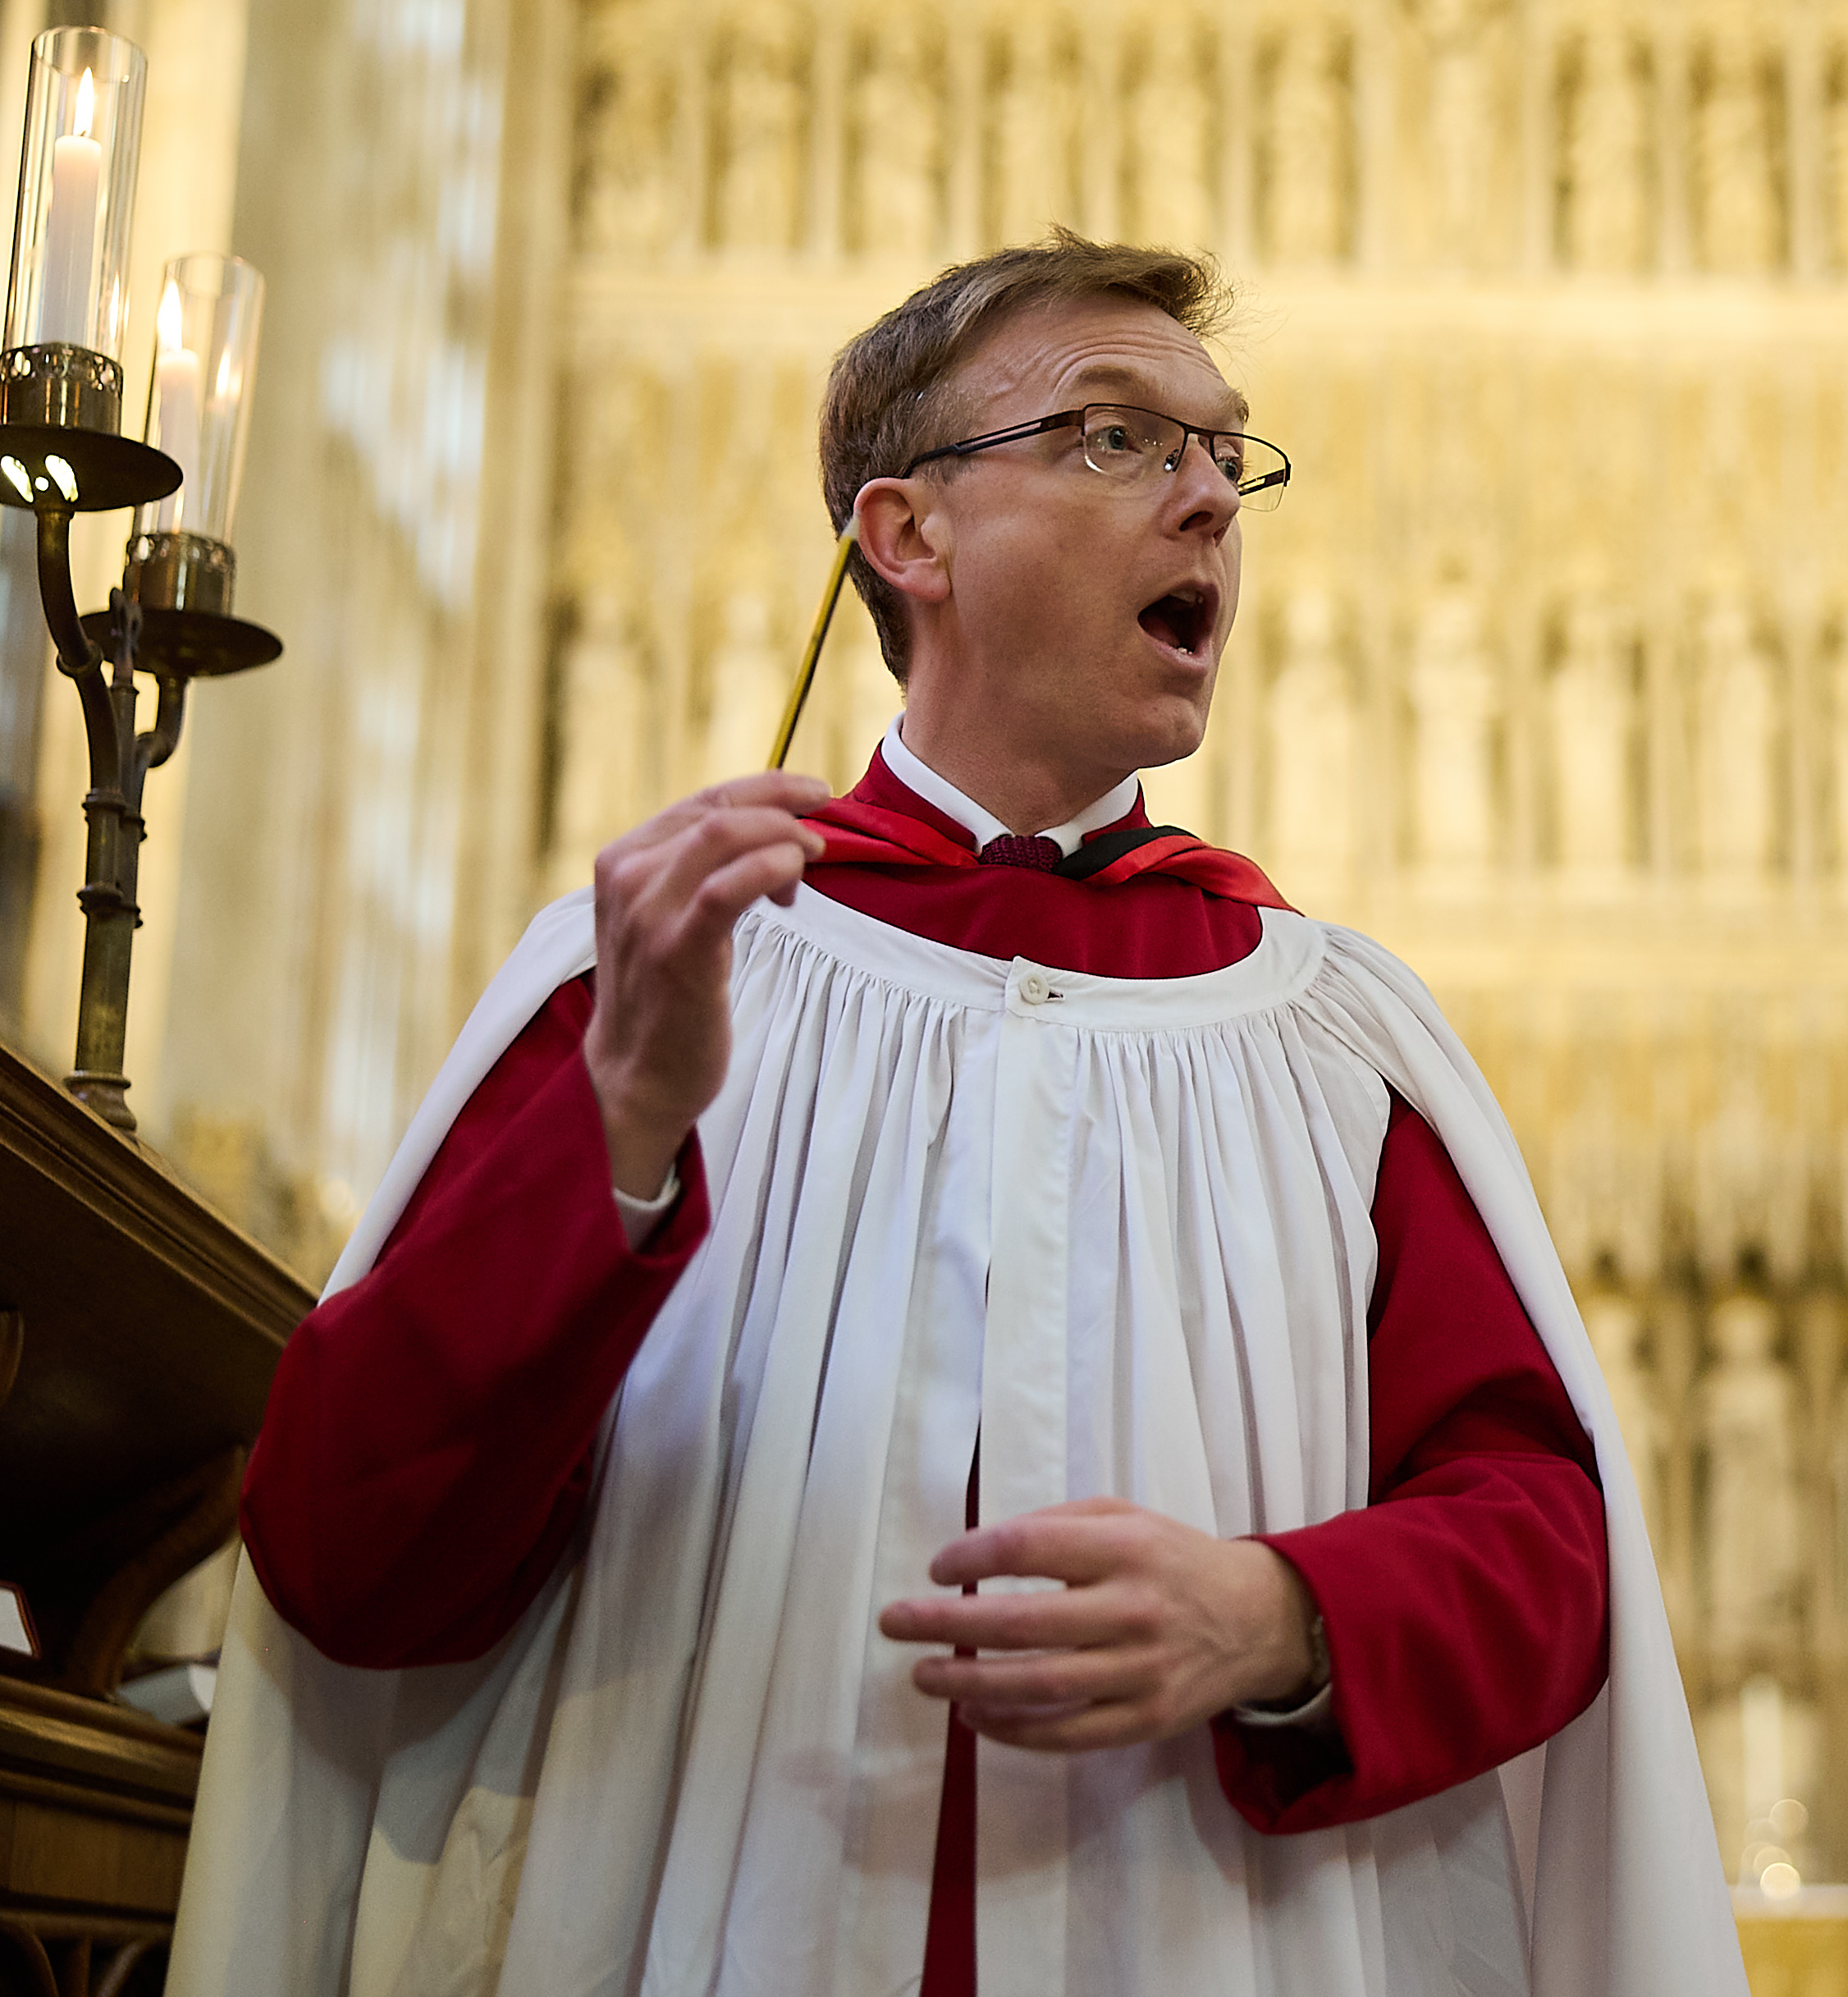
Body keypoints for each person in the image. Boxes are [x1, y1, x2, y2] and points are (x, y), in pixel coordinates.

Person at [168, 234, 1739, 1997]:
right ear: (906, 535)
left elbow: (1542, 1527)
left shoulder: (1328, 1038)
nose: (1212, 497)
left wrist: (1283, 1614)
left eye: (1230, 452)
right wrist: (616, 1137)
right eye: (1120, 437)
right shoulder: (669, 964)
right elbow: (344, 1550)